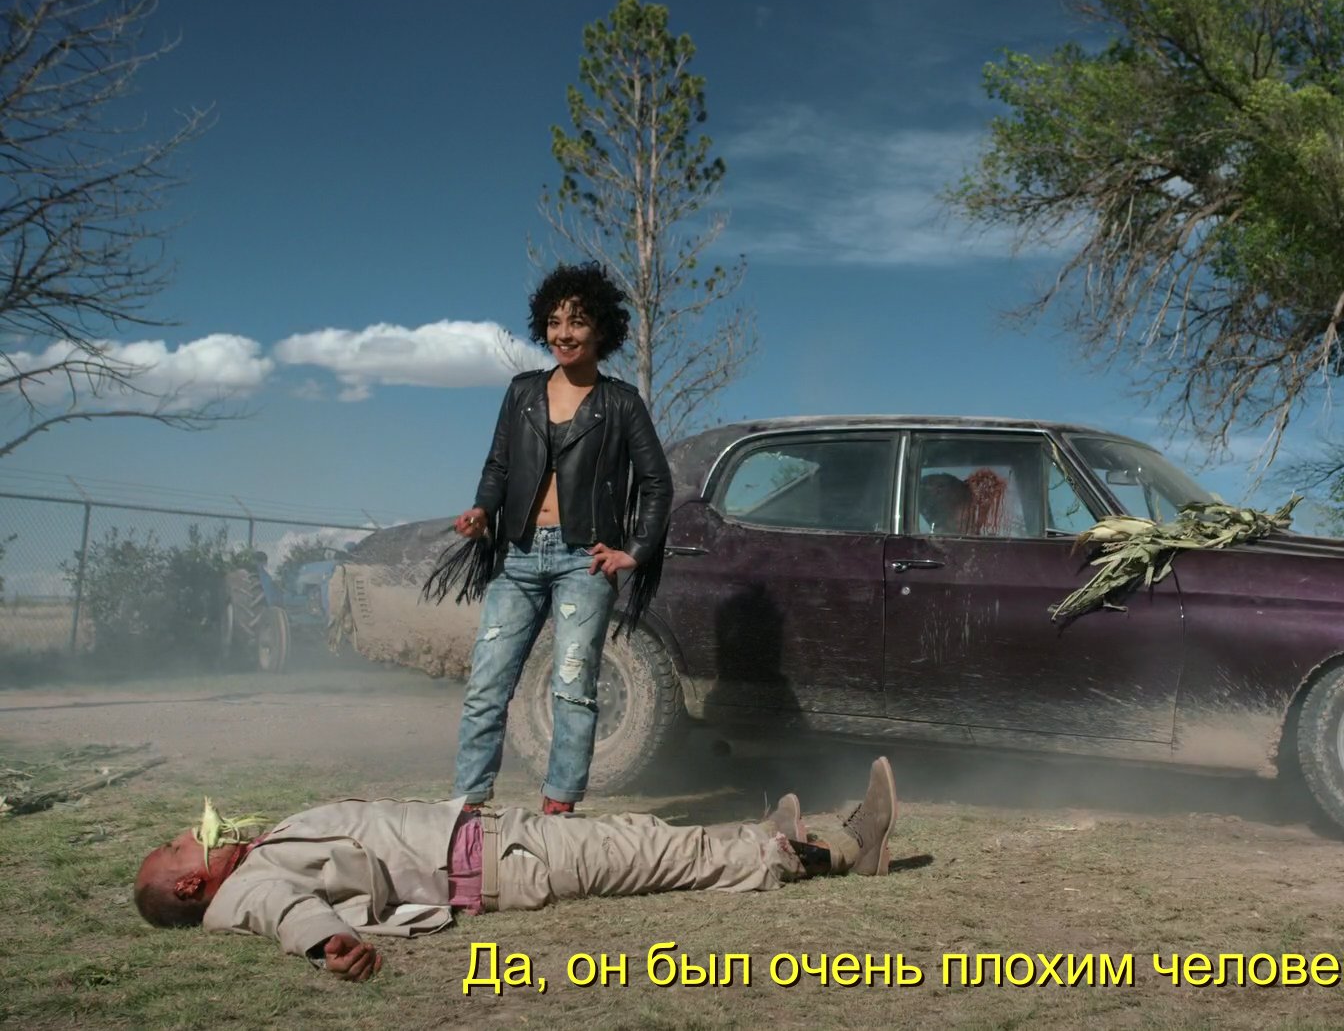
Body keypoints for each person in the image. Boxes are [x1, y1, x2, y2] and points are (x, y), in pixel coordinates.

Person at [132, 757, 900, 982]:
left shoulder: (256, 852)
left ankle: (763, 839)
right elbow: (288, 914)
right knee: (655, 852)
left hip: (502, 840)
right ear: (192, 885)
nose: (190, 835)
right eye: (178, 846)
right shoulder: (248, 890)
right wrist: (326, 942)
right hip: (509, 864)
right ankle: (841, 850)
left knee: (643, 837)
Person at [423, 262, 674, 816]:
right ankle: (468, 807)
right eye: (555, 322)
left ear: (601, 329)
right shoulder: (523, 393)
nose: (564, 333)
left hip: (584, 561)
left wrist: (633, 551)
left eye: (577, 322)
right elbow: (499, 465)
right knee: (487, 683)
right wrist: (483, 511)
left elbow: (657, 482)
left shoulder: (621, 403)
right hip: (516, 554)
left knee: (573, 685)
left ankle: (559, 807)